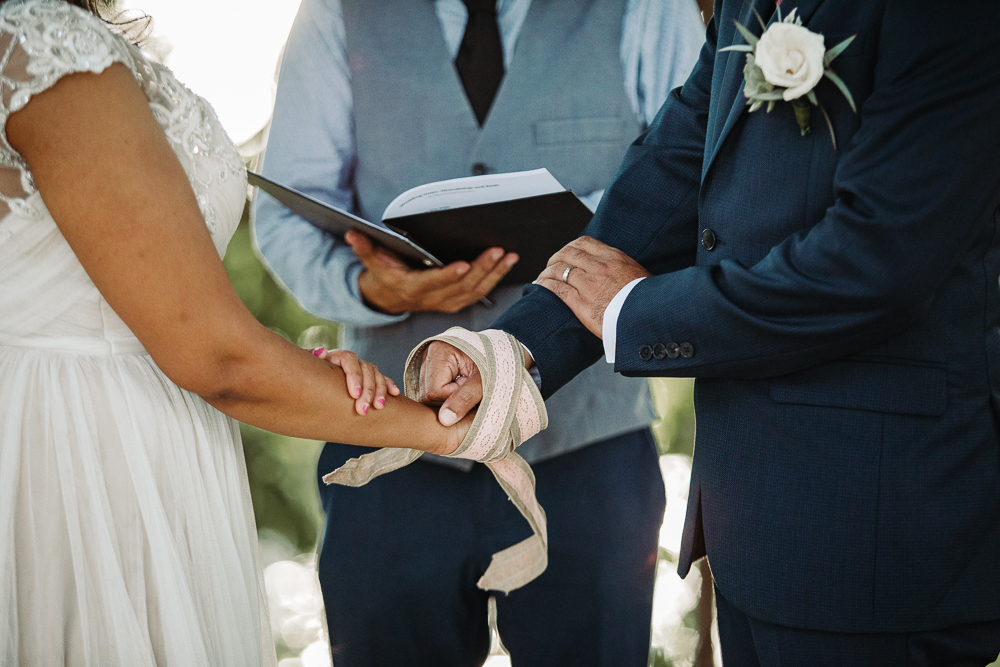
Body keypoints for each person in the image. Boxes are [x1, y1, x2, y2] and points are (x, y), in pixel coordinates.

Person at [418, 1, 1000, 665]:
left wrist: (634, 312)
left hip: (877, 532)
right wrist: (508, 352)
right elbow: (670, 171)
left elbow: (877, 259)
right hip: (750, 521)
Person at [0, 1, 474, 665]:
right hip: (86, 459)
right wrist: (452, 426)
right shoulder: (46, 44)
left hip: (136, 425)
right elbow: (220, 356)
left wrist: (307, 374)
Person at [252, 0, 704, 664]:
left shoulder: (647, 8)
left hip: (590, 451)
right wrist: (369, 287)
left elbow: (692, 181)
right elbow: (284, 213)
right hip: (390, 457)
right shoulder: (337, 15)